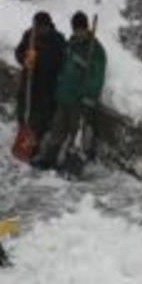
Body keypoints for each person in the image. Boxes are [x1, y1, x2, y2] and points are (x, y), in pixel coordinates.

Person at [32, 10, 107, 174]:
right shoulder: (71, 43)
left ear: (86, 28)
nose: (77, 33)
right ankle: (48, 159)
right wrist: (59, 87)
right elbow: (64, 67)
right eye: (75, 30)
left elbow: (97, 77)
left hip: (80, 99)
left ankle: (71, 166)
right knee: (57, 130)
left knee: (76, 133)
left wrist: (89, 96)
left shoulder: (96, 50)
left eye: (80, 30)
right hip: (65, 95)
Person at [14, 11, 67, 157]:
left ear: (48, 26)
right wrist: (24, 59)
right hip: (28, 83)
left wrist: (39, 61)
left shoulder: (58, 40)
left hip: (45, 86)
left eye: (40, 28)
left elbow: (60, 63)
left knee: (38, 120)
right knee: (23, 112)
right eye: (36, 27)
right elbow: (18, 51)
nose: (38, 31)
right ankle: (23, 141)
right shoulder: (29, 35)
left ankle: (34, 147)